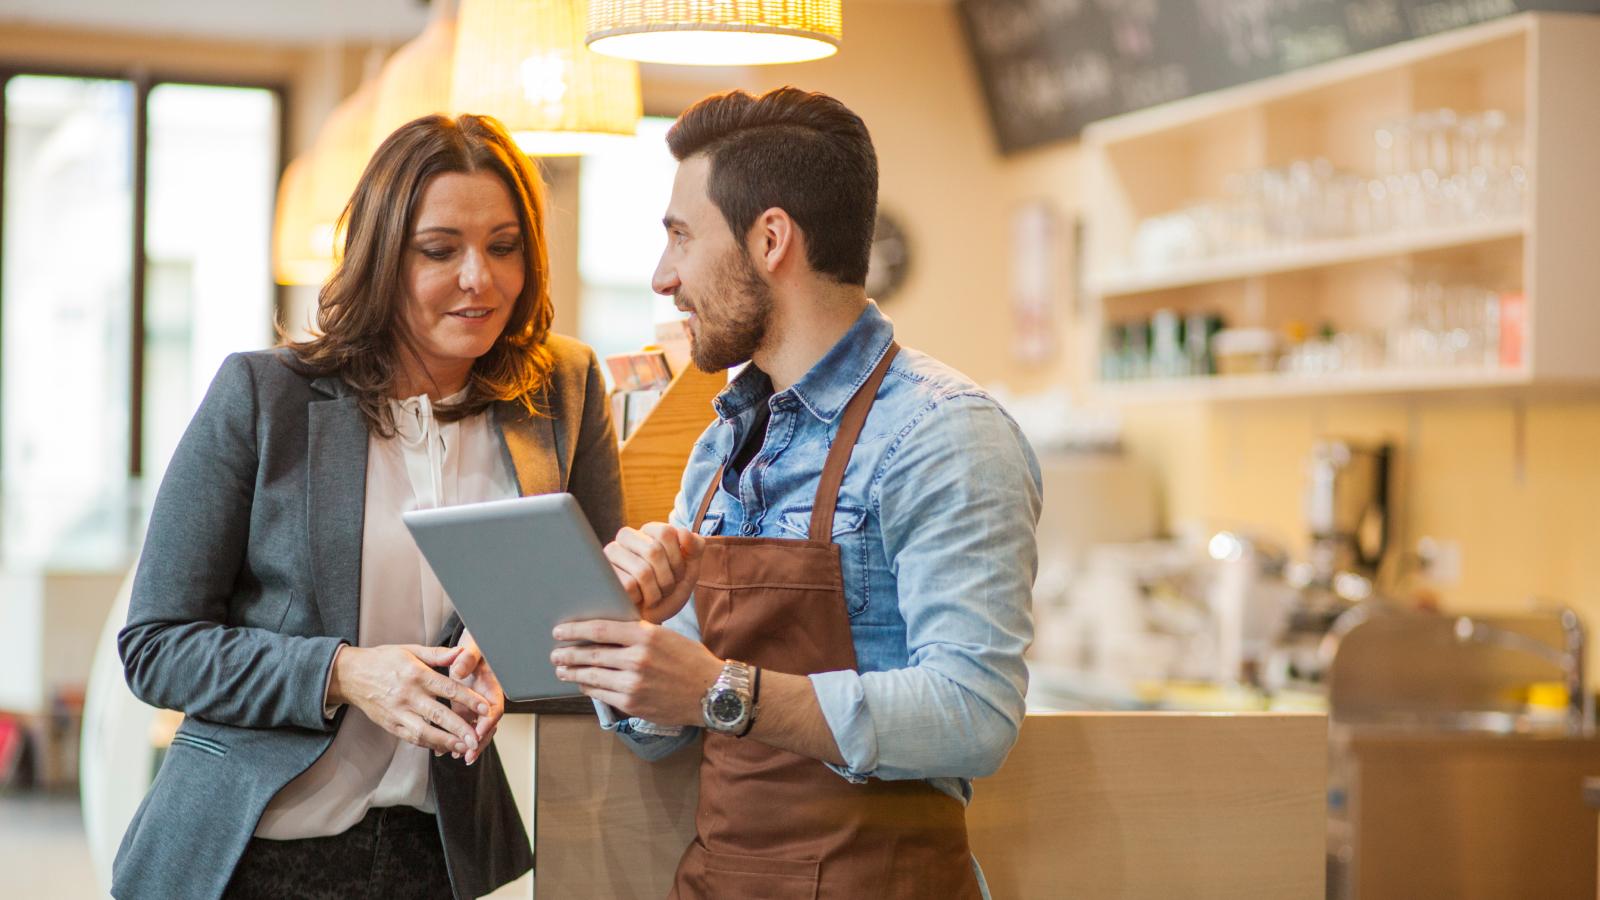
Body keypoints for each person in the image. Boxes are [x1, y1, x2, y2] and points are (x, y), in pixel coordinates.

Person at [114, 113, 623, 900]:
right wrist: (345, 673)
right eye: (439, 249)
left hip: (432, 857)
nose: (478, 279)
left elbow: (593, 631)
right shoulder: (264, 395)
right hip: (252, 853)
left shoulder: (565, 390)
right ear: (384, 256)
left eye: (503, 245)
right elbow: (155, 645)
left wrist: (509, 656)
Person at [549, 87, 1042, 898]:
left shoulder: (943, 434)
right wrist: (633, 638)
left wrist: (718, 687)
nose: (663, 277)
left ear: (770, 239)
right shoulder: (720, 445)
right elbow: (662, 734)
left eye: (680, 236)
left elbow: (973, 715)